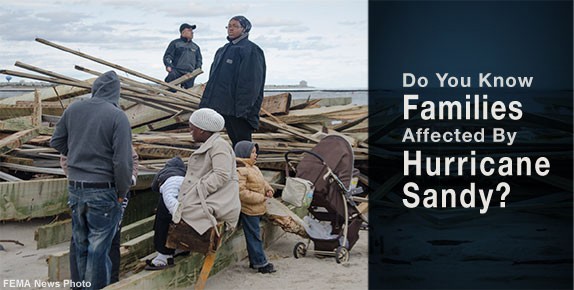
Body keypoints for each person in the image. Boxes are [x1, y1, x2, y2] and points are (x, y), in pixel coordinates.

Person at [50, 70, 133, 290]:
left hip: (76, 188)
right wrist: (122, 193)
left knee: (81, 245)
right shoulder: (117, 116)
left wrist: (78, 152)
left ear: (94, 89)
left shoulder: (74, 108)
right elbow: (123, 163)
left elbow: (56, 141)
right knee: (98, 251)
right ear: (117, 93)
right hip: (103, 190)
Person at [61, 148, 139, 285]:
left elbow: (131, 158)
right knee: (81, 240)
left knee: (110, 239)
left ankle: (109, 283)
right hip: (84, 191)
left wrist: (128, 180)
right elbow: (65, 155)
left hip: (110, 192)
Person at [172, 108, 241, 241]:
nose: (189, 131)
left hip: (220, 202)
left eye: (192, 129)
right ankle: (168, 251)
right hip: (211, 197)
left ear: (202, 130)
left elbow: (221, 175)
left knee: (180, 210)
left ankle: (167, 253)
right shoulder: (213, 144)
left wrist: (199, 190)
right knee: (173, 207)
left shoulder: (219, 146)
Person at [199, 15, 266, 147]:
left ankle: (247, 166)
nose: (231, 29)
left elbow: (251, 84)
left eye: (235, 26)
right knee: (220, 142)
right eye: (229, 26)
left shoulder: (251, 50)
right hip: (221, 107)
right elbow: (213, 80)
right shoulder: (223, 50)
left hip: (239, 111)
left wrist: (243, 110)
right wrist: (205, 104)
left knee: (243, 144)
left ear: (245, 29)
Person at [234, 140, 276, 273]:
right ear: (244, 153)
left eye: (255, 152)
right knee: (254, 236)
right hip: (249, 208)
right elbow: (241, 192)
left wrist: (268, 189)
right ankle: (260, 263)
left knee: (256, 235)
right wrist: (260, 198)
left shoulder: (254, 168)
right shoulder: (240, 170)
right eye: (252, 152)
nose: (255, 155)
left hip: (258, 207)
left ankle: (255, 261)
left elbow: (263, 182)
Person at [145, 156, 186, 270]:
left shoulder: (163, 173)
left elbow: (154, 187)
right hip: (185, 187)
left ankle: (163, 255)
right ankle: (182, 247)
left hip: (169, 186)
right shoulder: (184, 173)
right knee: (182, 218)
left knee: (162, 219)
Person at [163, 23, 203, 89]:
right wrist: (168, 65)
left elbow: (199, 61)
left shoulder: (195, 47)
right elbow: (168, 56)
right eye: (189, 30)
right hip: (176, 71)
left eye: (192, 31)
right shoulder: (175, 43)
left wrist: (196, 72)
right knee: (169, 89)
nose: (192, 32)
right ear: (183, 32)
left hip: (190, 74)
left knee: (187, 93)